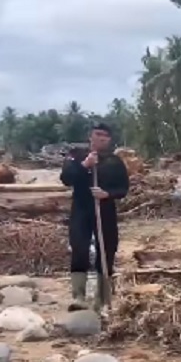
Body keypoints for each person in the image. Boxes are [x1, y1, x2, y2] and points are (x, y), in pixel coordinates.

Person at [60, 122, 129, 311]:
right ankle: (79, 297)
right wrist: (85, 165)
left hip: (105, 210)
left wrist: (107, 194)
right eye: (98, 134)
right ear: (90, 136)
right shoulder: (76, 156)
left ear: (109, 140)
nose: (101, 138)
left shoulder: (115, 161)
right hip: (81, 210)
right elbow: (66, 178)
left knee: (106, 251)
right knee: (80, 249)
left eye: (105, 136)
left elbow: (123, 189)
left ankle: (103, 299)